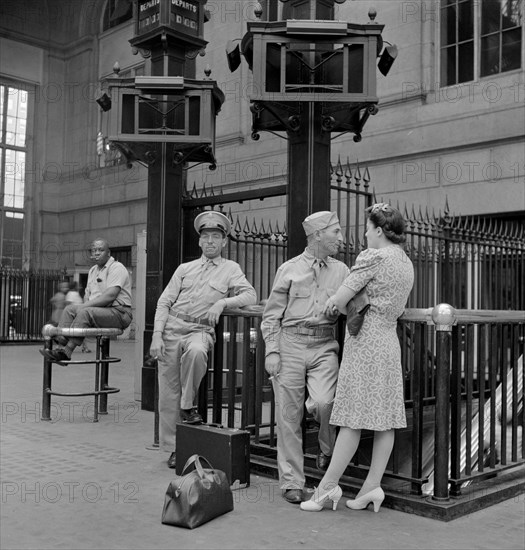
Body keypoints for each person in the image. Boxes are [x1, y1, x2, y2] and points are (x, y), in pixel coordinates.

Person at [300, 203, 414, 513]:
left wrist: (331, 304)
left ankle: (326, 488)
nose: (364, 233)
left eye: (367, 227)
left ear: (378, 230)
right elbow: (399, 308)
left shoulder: (372, 256)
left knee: (350, 419)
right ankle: (371, 487)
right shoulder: (405, 262)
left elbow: (340, 298)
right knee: (384, 421)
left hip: (365, 345)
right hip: (389, 345)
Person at [149, 211, 257, 469]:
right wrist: (156, 335)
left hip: (199, 330)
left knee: (197, 352)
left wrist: (223, 302)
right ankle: (174, 448)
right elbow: (164, 302)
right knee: (167, 393)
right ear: (199, 242)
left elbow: (250, 295)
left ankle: (188, 404)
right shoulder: (185, 269)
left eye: (216, 237)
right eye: (206, 237)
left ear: (223, 242)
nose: (210, 241)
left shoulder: (231, 269)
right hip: (172, 328)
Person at [261, 211, 351, 505]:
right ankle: (292, 482)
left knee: (326, 402)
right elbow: (271, 316)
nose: (341, 238)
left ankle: (326, 447)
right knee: (288, 415)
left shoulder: (342, 271)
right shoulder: (288, 269)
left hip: (325, 344)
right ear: (317, 236)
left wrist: (340, 309)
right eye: (335, 232)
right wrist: (272, 351)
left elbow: (354, 308)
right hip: (290, 344)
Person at [41, 239, 133, 362]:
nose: (97, 253)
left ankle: (67, 352)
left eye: (101, 250)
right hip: (101, 311)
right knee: (69, 309)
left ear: (109, 253)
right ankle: (60, 345)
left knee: (85, 312)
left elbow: (110, 296)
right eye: (94, 250)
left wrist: (84, 307)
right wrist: (83, 305)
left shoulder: (116, 267)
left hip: (119, 312)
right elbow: (87, 296)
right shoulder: (93, 270)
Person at [65, 281, 91, 353]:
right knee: (78, 331)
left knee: (81, 331)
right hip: (75, 315)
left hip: (79, 314)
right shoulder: (71, 294)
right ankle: (62, 346)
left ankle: (85, 347)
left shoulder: (75, 293)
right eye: (78, 285)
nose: (80, 287)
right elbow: (68, 304)